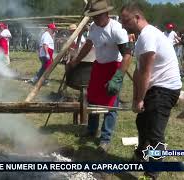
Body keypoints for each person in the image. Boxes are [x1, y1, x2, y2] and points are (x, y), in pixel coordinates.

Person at [120, 3, 182, 179]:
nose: (124, 25)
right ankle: (140, 157)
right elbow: (138, 72)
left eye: (126, 21)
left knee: (155, 133)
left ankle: (152, 173)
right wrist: (135, 99)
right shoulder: (142, 37)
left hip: (165, 89)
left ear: (137, 17)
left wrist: (140, 99)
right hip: (156, 87)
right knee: (142, 123)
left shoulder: (148, 35)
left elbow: (146, 71)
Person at [66, 0, 132, 153]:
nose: (94, 19)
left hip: (114, 67)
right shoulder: (94, 28)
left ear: (106, 14)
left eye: (97, 16)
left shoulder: (117, 29)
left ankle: (105, 138)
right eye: (93, 16)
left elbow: (127, 56)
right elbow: (88, 45)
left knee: (110, 104)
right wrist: (75, 61)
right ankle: (91, 130)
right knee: (93, 100)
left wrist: (117, 77)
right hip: (98, 66)